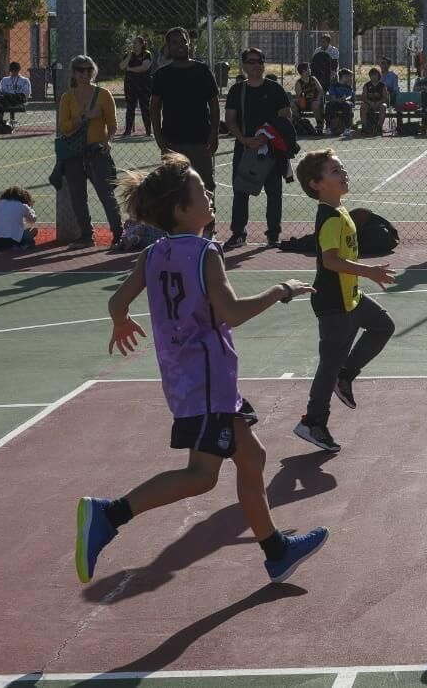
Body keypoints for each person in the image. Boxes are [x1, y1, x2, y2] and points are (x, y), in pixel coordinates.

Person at [75, 153, 328, 586]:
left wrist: (122, 322)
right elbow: (231, 312)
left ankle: (276, 552)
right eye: (200, 189)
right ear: (180, 209)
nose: (209, 193)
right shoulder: (205, 253)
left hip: (187, 380)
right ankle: (109, 514)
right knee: (202, 476)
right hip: (209, 382)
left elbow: (117, 303)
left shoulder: (152, 255)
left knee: (252, 457)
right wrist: (280, 291)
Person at [292, 149, 398, 453]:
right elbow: (330, 261)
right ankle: (313, 421)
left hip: (350, 297)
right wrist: (370, 271)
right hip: (334, 303)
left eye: (342, 168)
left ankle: (346, 375)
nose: (344, 173)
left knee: (383, 326)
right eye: (335, 171)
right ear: (316, 184)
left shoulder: (340, 211)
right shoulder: (329, 218)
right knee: (329, 365)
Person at [151, 27, 221, 234]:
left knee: (205, 185)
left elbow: (214, 104)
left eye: (183, 41)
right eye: (174, 42)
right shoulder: (162, 75)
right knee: (173, 188)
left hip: (201, 141)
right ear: (168, 47)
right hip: (172, 142)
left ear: (189, 43)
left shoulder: (202, 71)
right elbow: (154, 107)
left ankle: (208, 229)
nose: (179, 45)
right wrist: (158, 136)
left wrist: (214, 133)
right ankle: (176, 230)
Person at [225, 48, 293, 248]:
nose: (256, 65)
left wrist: (268, 136)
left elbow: (286, 116)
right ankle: (239, 234)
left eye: (260, 61)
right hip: (245, 149)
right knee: (240, 192)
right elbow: (230, 120)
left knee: (274, 193)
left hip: (272, 151)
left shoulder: (275, 89)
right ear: (243, 65)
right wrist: (244, 139)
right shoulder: (237, 90)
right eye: (251, 61)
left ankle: (273, 235)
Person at [58, 54, 124, 249]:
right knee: (78, 197)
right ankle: (86, 235)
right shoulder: (67, 97)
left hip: (97, 152)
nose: (85, 73)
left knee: (106, 194)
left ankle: (119, 234)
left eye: (89, 69)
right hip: (74, 154)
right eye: (80, 69)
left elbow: (112, 124)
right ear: (74, 73)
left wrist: (108, 141)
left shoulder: (104, 94)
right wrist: (85, 116)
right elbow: (65, 127)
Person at [0, 185, 37, 249]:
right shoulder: (23, 206)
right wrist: (30, 209)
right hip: (12, 240)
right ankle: (21, 245)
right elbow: (32, 220)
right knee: (34, 230)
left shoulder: (0, 204)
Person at [122, 36, 155, 138]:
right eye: (133, 43)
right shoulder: (129, 55)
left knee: (145, 107)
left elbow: (144, 67)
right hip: (130, 85)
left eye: (136, 43)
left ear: (141, 44)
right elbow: (122, 66)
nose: (133, 45)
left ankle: (148, 131)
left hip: (144, 85)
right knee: (130, 108)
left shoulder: (146, 54)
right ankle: (128, 131)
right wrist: (129, 56)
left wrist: (130, 69)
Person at [0, 61, 32, 131]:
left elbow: (26, 94)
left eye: (15, 70)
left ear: (19, 70)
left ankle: (0, 122)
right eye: (12, 70)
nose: (14, 72)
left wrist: (11, 95)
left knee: (7, 96)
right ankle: (0, 122)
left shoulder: (25, 80)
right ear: (10, 70)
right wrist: (6, 94)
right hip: (6, 99)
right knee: (1, 98)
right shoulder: (5, 80)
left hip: (19, 99)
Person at [309, 36, 337, 124]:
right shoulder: (317, 50)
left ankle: (332, 112)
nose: (322, 43)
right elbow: (313, 64)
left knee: (332, 93)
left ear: (328, 42)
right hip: (319, 76)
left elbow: (334, 65)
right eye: (321, 41)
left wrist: (331, 75)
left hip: (331, 74)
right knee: (320, 94)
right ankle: (321, 116)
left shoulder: (334, 50)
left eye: (324, 42)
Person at [324, 69, 356, 137]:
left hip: (345, 104)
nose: (351, 79)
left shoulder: (349, 87)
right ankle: (328, 128)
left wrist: (345, 99)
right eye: (349, 76)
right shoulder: (334, 86)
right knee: (329, 105)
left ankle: (347, 129)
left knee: (347, 105)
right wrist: (338, 100)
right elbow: (332, 98)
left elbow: (350, 97)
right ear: (344, 77)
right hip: (335, 103)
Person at [360, 67, 389, 135]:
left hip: (379, 104)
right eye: (372, 75)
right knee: (363, 107)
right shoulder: (366, 85)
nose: (373, 77)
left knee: (383, 106)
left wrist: (378, 102)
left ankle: (379, 127)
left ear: (378, 76)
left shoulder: (383, 86)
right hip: (369, 104)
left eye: (375, 75)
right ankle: (364, 127)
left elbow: (385, 98)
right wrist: (370, 102)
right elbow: (364, 98)